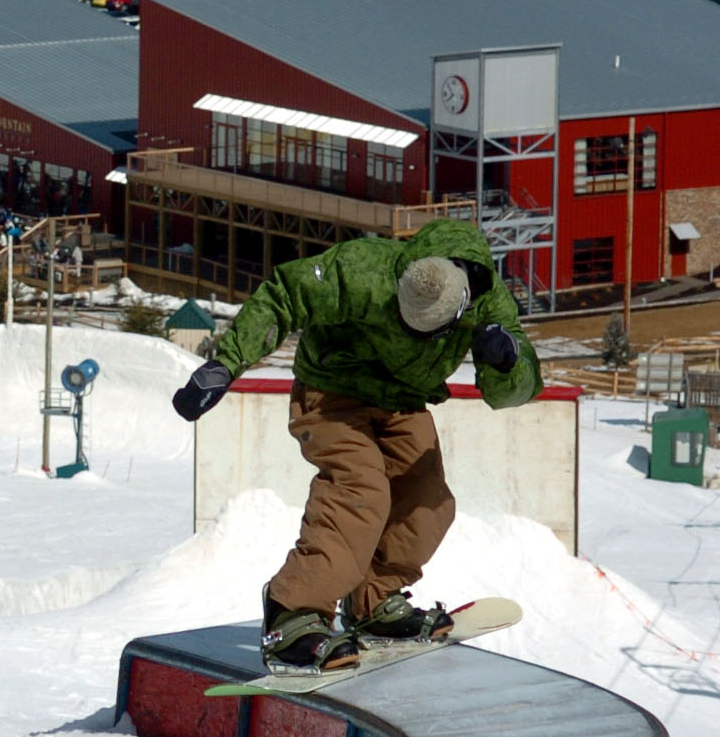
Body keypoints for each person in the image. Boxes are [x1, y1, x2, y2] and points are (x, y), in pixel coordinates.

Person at [170, 222, 539, 672]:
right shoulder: (363, 269)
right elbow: (284, 294)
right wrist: (225, 365)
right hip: (331, 392)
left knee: (427, 503)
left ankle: (372, 602)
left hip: (403, 400)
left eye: (424, 330)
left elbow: (513, 393)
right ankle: (293, 612)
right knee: (359, 488)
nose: (412, 332)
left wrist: (507, 362)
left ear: (461, 307)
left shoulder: (488, 304)